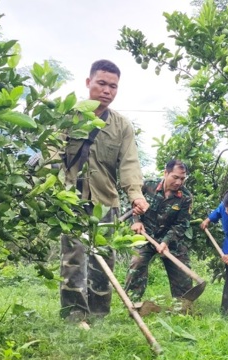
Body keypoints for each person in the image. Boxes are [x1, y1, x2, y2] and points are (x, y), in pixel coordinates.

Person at [59, 60, 149, 327]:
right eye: (101, 83)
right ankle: (75, 314)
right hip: (71, 200)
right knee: (73, 258)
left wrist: (135, 194)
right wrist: (55, 187)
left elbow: (130, 163)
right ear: (89, 82)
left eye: (113, 86)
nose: (107, 90)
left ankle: (99, 313)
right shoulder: (68, 116)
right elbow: (52, 152)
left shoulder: (122, 126)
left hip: (105, 201)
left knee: (104, 258)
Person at [124, 159, 194, 307]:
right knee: (137, 263)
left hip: (170, 240)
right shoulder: (147, 186)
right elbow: (133, 205)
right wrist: (136, 221)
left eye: (182, 178)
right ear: (166, 173)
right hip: (146, 235)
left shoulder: (186, 197)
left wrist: (166, 242)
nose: (178, 182)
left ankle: (183, 306)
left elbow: (181, 225)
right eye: (175, 177)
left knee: (183, 273)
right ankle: (131, 303)